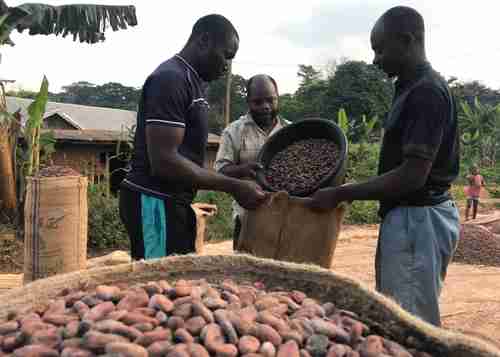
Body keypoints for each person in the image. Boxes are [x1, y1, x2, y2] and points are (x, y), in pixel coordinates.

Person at [306, 6, 460, 326]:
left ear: (407, 41)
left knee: (408, 322)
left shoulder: (426, 92)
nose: (375, 59)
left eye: (380, 49)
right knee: (398, 310)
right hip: (410, 217)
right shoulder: (408, 86)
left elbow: (413, 175)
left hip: (419, 218)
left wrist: (340, 193)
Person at [119, 14, 267, 261]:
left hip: (171, 203)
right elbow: (165, 161)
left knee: (178, 285)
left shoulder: (191, 81)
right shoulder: (171, 79)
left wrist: (237, 173)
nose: (226, 66)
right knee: (159, 286)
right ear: (204, 41)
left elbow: (185, 158)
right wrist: (234, 187)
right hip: (153, 202)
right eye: (226, 55)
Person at [215, 74, 289, 249]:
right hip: (248, 217)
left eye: (271, 100)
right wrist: (243, 169)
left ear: (278, 98)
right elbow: (221, 171)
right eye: (258, 102)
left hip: (286, 219)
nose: (265, 107)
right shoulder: (234, 132)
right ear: (248, 102)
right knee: (246, 272)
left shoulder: (290, 130)